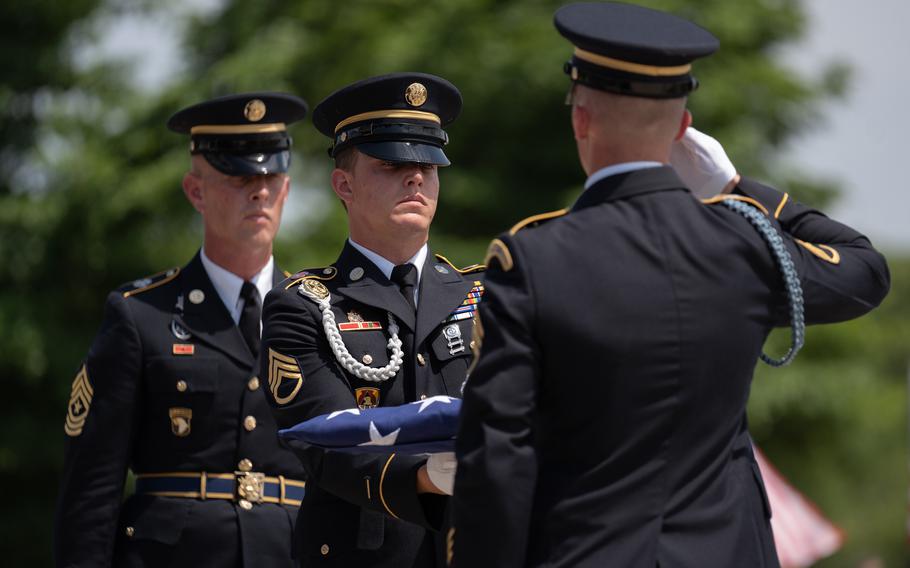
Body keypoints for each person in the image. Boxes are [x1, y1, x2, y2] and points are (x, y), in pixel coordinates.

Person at [452, 3, 891, 568]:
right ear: (684, 127)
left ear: (580, 119)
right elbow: (864, 270)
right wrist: (740, 186)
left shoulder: (532, 258)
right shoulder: (744, 244)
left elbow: (498, 459)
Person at [55, 92, 309, 567]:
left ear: (286, 190)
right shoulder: (140, 315)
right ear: (196, 192)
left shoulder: (316, 314)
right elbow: (91, 490)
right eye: (239, 176)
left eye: (270, 176)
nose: (259, 190)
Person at [260, 72, 481, 568]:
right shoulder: (303, 306)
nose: (416, 177)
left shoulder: (488, 294)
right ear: (345, 184)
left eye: (429, 164)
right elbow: (328, 445)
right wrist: (430, 478)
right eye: (391, 164)